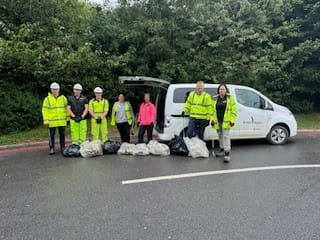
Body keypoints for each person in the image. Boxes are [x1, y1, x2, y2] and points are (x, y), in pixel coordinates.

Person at [210, 83, 237, 162]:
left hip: (227, 122)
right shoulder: (215, 99)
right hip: (217, 121)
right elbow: (212, 111)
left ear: (226, 90)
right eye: (220, 89)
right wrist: (211, 120)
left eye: (223, 89)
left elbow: (234, 111)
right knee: (220, 136)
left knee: (226, 137)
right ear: (218, 90)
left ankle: (227, 153)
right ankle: (222, 149)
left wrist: (232, 120)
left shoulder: (230, 98)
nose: (221, 90)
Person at [42, 82, 68, 155]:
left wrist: (68, 119)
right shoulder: (47, 99)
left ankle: (62, 147)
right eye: (53, 89)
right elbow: (44, 110)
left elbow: (67, 109)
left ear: (59, 89)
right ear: (51, 90)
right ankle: (52, 148)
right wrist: (46, 120)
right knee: (51, 136)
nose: (55, 91)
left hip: (62, 120)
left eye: (56, 89)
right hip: (51, 121)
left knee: (62, 135)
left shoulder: (63, 98)